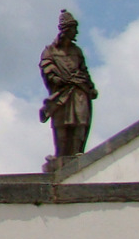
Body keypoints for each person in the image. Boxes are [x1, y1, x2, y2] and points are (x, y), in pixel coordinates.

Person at [40, 9, 98, 159]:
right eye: (74, 29)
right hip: (62, 92)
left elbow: (84, 70)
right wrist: (54, 77)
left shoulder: (77, 51)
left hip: (79, 89)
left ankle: (77, 152)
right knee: (61, 123)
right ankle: (60, 156)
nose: (76, 33)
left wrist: (90, 87)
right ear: (66, 30)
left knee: (80, 120)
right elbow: (46, 66)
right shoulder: (50, 51)